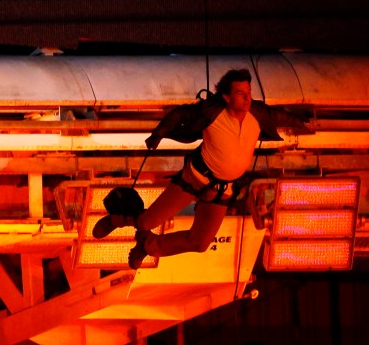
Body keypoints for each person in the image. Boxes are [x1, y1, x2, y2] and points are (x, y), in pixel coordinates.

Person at [92, 68, 309, 269]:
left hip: (223, 189)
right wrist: (159, 133)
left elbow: (281, 116)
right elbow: (181, 114)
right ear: (226, 97)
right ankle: (117, 220)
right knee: (147, 221)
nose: (247, 97)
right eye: (241, 93)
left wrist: (303, 123)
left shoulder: (257, 114)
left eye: (249, 92)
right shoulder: (212, 112)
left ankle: (148, 246)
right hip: (196, 177)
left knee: (200, 242)